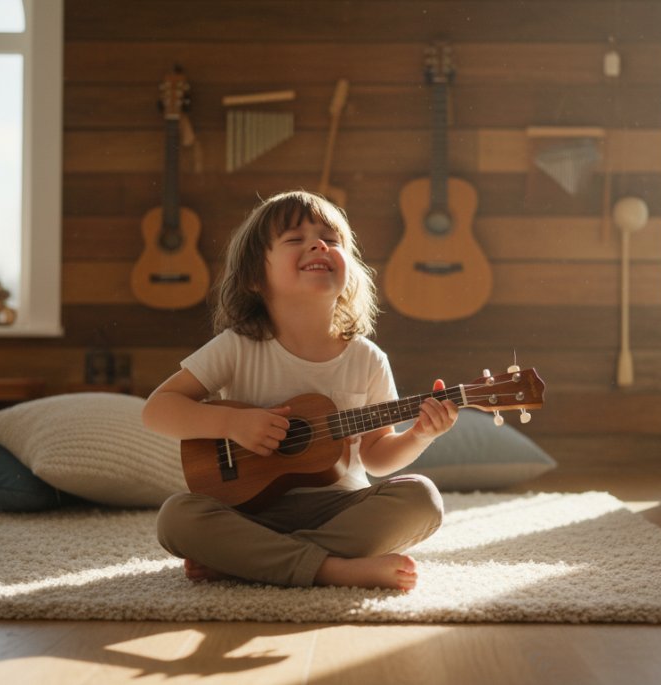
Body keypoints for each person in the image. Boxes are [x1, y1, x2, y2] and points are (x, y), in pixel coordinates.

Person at [143, 190, 457, 591]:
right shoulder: (238, 345)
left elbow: (377, 457)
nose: (318, 244)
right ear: (255, 276)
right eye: (295, 239)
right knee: (176, 517)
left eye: (332, 239)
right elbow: (157, 410)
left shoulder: (367, 358)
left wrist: (419, 435)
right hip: (249, 512)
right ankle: (332, 569)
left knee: (422, 499)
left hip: (339, 509)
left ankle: (252, 561)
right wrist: (232, 423)